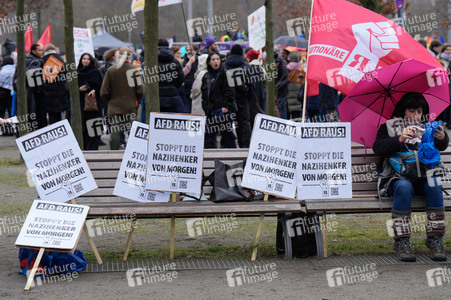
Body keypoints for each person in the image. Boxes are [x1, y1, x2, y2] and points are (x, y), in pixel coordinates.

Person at [373, 92, 448, 262]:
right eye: (411, 111)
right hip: (396, 179)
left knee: (434, 183)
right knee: (404, 187)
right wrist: (399, 139)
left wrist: (442, 137)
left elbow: (441, 145)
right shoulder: (389, 127)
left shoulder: (427, 128)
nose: (416, 116)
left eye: (420, 112)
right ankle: (402, 241)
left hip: (422, 179)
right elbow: (378, 148)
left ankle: (435, 239)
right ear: (402, 111)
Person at [101, 47, 143, 150]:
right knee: (133, 132)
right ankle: (134, 153)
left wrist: (110, 99)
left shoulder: (111, 71)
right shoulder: (134, 70)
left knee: (115, 132)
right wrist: (135, 99)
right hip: (130, 105)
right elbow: (140, 91)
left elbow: (104, 92)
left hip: (114, 106)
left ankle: (113, 155)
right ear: (130, 56)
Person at [201, 52, 236, 148]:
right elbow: (204, 95)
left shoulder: (226, 74)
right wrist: (206, 108)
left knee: (227, 138)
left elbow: (230, 92)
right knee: (209, 139)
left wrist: (225, 106)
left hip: (223, 112)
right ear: (209, 62)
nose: (216, 61)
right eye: (213, 59)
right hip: (211, 112)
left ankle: (230, 159)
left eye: (217, 59)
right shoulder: (206, 76)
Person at [223, 44, 252, 148]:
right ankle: (246, 145)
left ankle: (228, 145)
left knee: (227, 122)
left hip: (227, 100)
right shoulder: (247, 67)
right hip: (243, 99)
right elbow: (251, 85)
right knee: (244, 122)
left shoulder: (224, 66)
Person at [77, 53, 104, 150]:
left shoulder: (95, 72)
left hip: (94, 106)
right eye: (84, 59)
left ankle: (93, 149)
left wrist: (94, 90)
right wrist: (79, 89)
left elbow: (102, 85)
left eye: (88, 59)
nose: (86, 61)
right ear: (81, 60)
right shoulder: (77, 73)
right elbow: (69, 90)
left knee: (93, 128)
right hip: (81, 105)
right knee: (83, 128)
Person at [42, 44, 67, 125]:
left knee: (51, 115)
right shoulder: (60, 59)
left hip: (47, 92)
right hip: (60, 91)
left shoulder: (43, 60)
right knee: (58, 115)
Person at [157, 39, 185, 112]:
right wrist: (173, 86)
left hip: (157, 98)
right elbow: (181, 78)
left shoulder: (152, 62)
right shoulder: (175, 62)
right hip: (172, 97)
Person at [25, 43, 45, 130]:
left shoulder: (26, 60)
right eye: (39, 50)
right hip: (35, 93)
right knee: (39, 114)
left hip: (27, 91)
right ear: (33, 51)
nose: (41, 52)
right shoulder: (36, 62)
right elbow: (34, 76)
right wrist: (39, 89)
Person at [183, 44, 200, 113]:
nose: (189, 52)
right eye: (187, 50)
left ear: (196, 51)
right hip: (187, 89)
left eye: (191, 50)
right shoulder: (184, 60)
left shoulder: (199, 60)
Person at [0, 57, 15, 135]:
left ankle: (4, 129)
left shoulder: (2, 71)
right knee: (11, 112)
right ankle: (11, 129)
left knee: (2, 112)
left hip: (2, 93)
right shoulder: (15, 70)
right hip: (12, 94)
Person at [274, 52, 289, 119]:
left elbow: (287, 79)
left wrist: (278, 85)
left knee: (281, 109)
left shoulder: (282, 67)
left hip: (281, 92)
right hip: (277, 92)